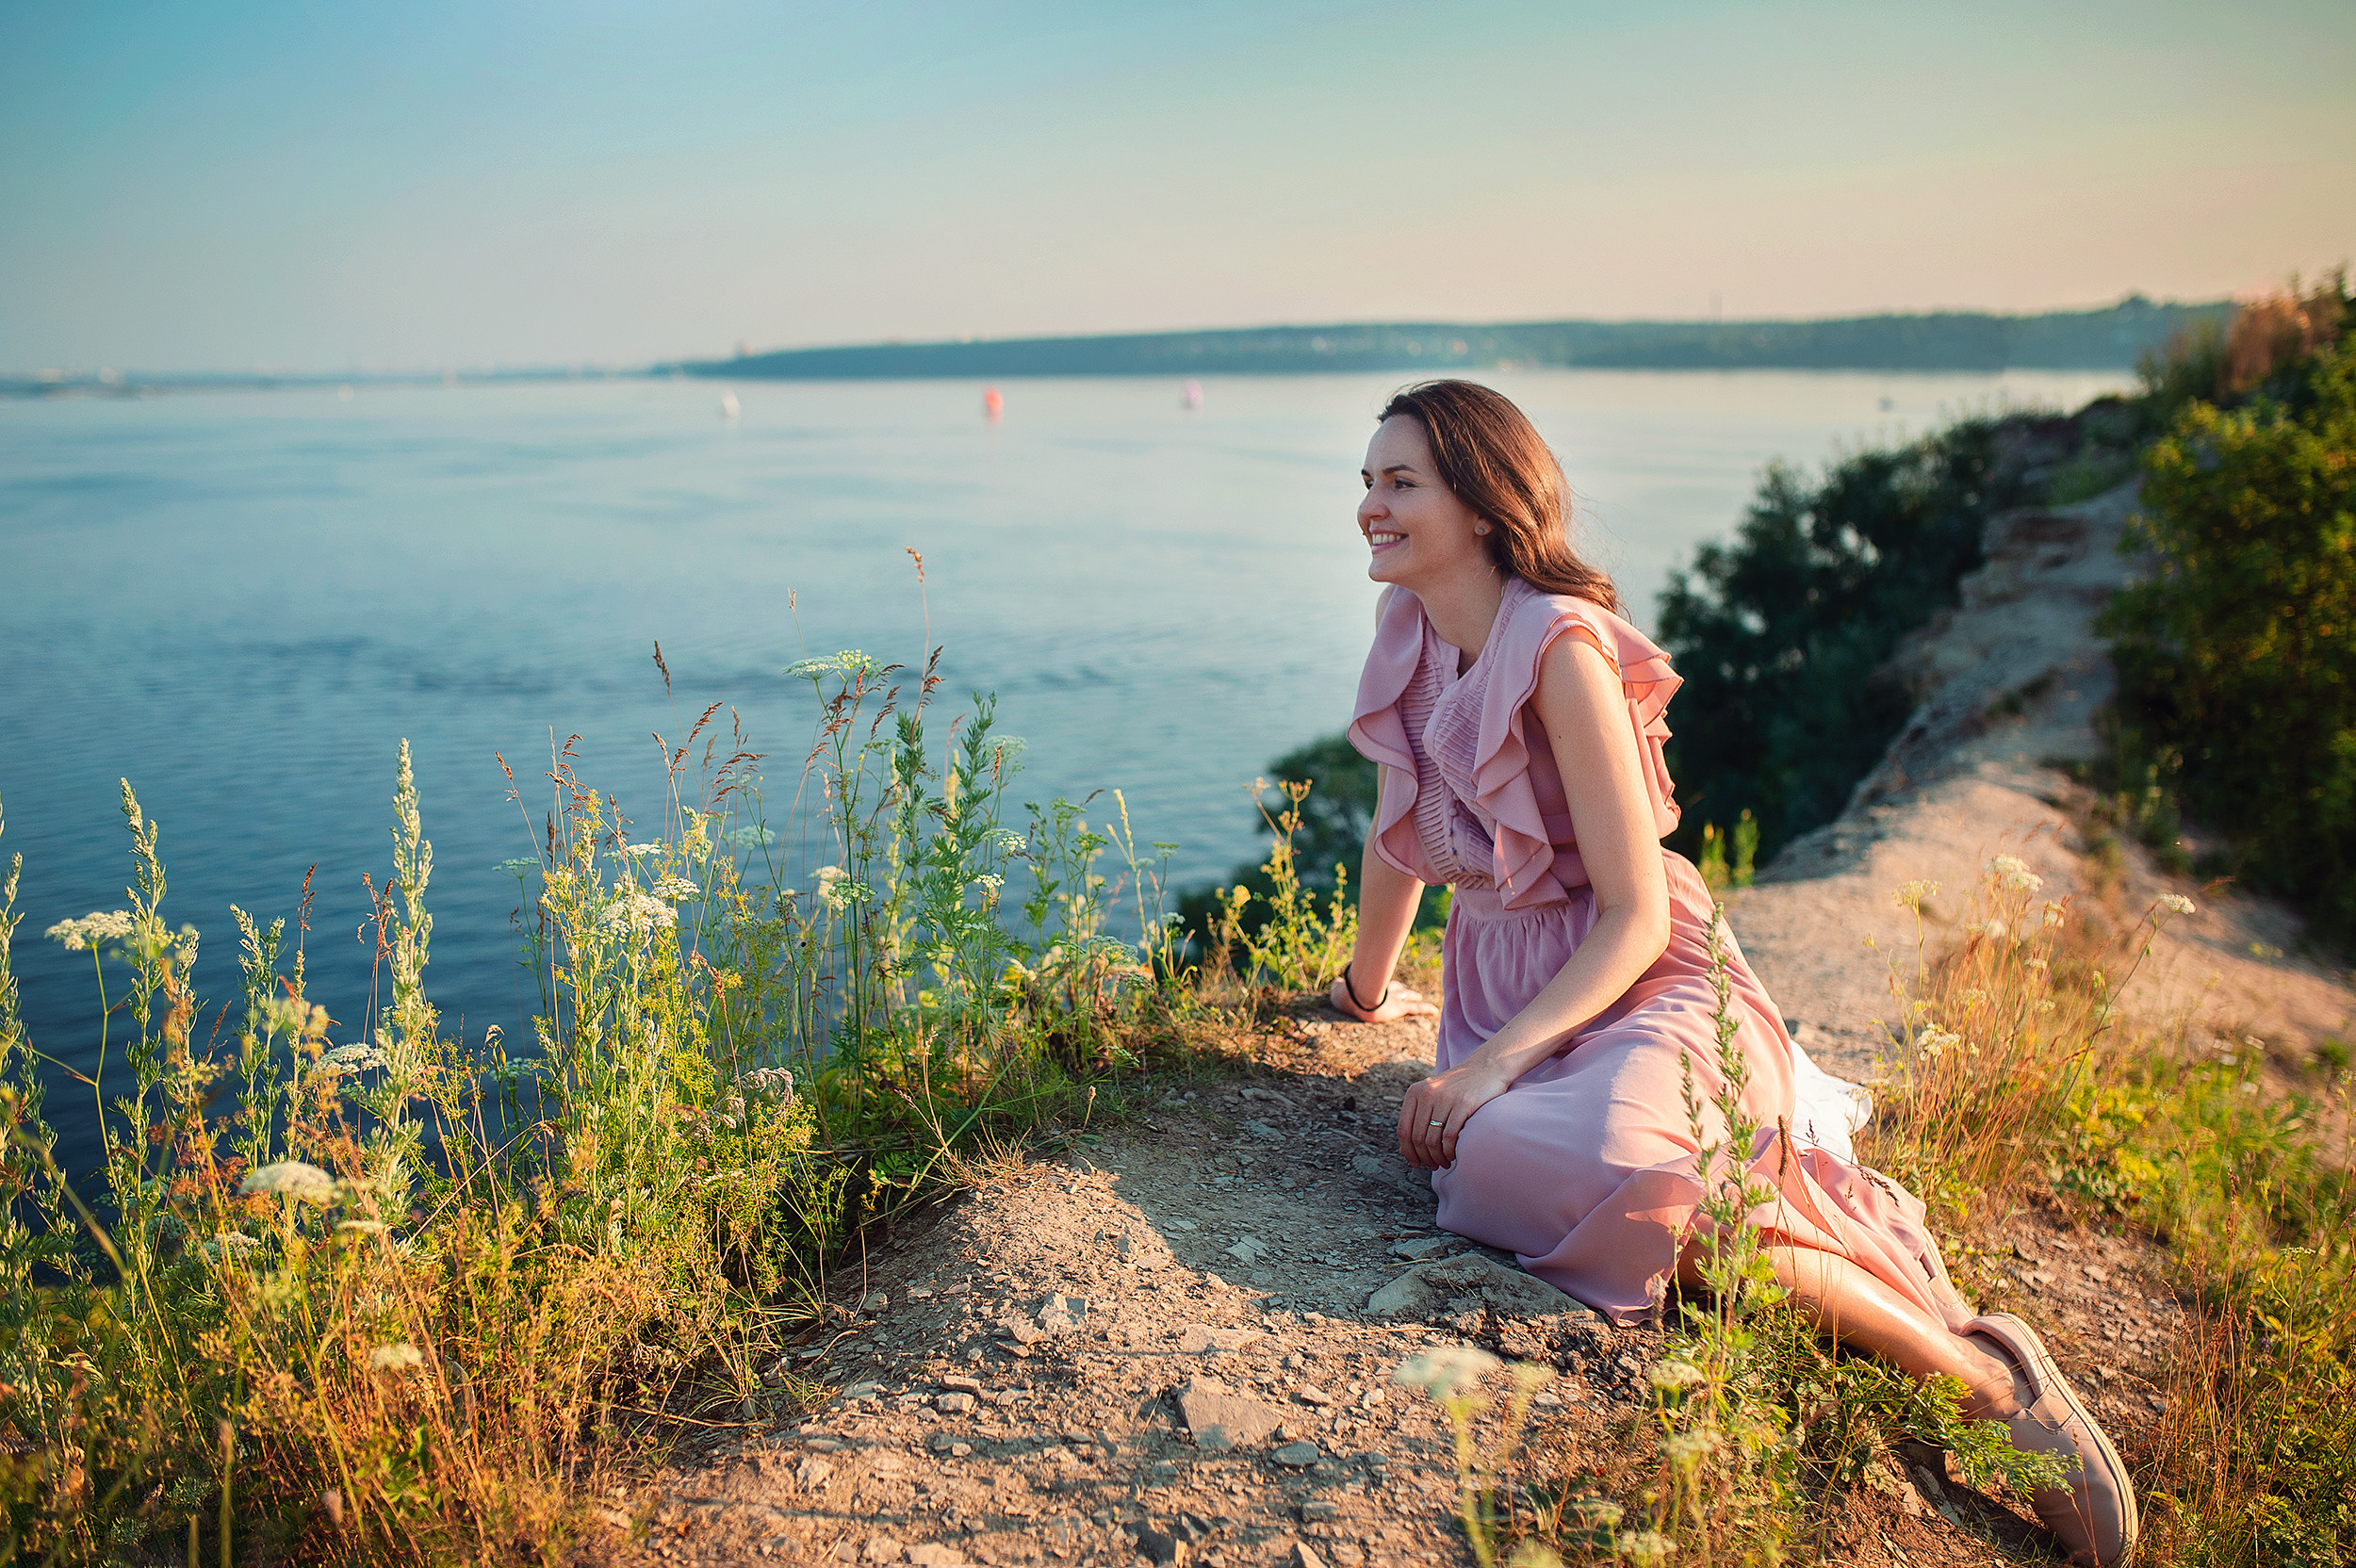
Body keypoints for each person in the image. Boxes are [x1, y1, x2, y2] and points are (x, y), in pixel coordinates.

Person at [1325, 380, 2135, 1565]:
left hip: (1645, 980)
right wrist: (1361, 987)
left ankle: (1980, 1378)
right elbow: (1402, 820)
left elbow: (1635, 910)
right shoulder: (1409, 636)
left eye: (1401, 482)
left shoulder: (1559, 647)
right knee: (1495, 1167)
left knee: (1579, 1163)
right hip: (1509, 992)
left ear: (1485, 503)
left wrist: (1492, 1063)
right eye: (1366, 481)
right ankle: (1903, 1325)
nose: (1369, 508)